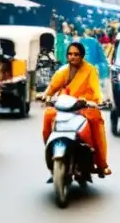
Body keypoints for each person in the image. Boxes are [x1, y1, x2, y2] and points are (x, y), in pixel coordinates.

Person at [42, 41, 110, 177]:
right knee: (48, 115)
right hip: (64, 107)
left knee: (96, 121)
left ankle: (101, 163)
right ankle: (51, 150)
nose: (72, 57)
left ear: (82, 56)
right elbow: (51, 89)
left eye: (76, 54)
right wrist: (45, 96)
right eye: (70, 54)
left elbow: (96, 90)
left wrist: (98, 101)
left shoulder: (90, 70)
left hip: (84, 106)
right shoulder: (63, 71)